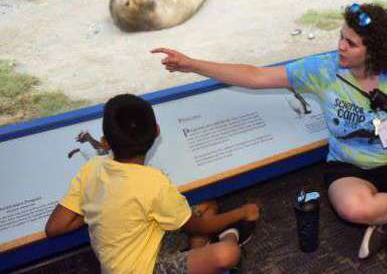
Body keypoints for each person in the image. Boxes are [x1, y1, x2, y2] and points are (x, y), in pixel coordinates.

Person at [152, 3, 387, 259]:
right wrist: (193, 64)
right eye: (341, 37)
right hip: (350, 169)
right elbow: (256, 75)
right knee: (355, 209)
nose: (340, 46)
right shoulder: (323, 69)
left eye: (351, 43)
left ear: (374, 51)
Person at [45, 94, 260, 274]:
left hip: (143, 244)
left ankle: (196, 254)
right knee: (227, 254)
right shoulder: (154, 183)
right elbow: (198, 226)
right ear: (157, 131)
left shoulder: (92, 168)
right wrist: (242, 212)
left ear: (104, 142)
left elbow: (54, 227)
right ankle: (231, 234)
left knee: (207, 206)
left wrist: (103, 207)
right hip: (149, 269)